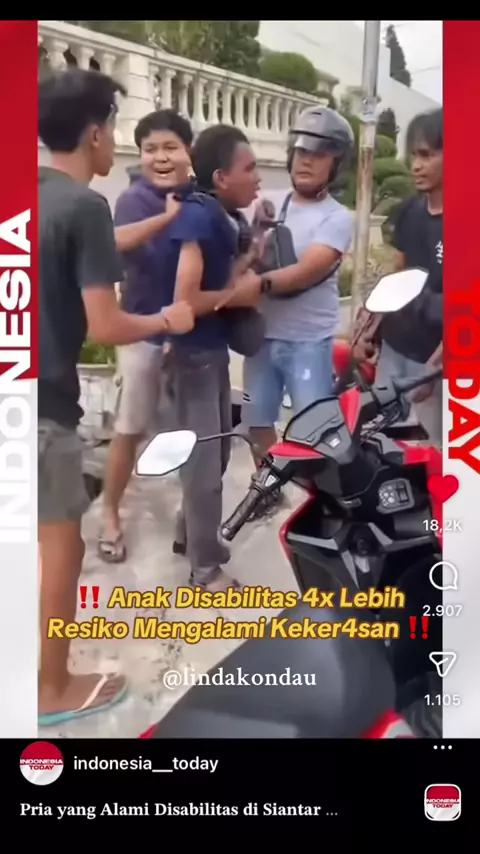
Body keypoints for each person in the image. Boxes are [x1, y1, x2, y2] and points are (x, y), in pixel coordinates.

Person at [38, 69, 194, 726]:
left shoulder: (28, 194)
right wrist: (166, 319)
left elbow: (88, 250)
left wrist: (162, 220)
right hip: (40, 408)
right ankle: (50, 689)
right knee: (60, 548)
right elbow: (105, 324)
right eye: (115, 128)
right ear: (96, 133)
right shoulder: (86, 206)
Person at [239, 106, 354, 512]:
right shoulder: (266, 203)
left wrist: (255, 284)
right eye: (302, 151)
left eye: (319, 154)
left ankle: (322, 504)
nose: (306, 160)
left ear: (336, 164)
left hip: (308, 342)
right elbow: (238, 247)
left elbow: (307, 272)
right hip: (262, 337)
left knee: (314, 431)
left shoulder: (337, 218)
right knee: (256, 421)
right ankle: (269, 487)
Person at [167, 124, 262, 591]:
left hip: (210, 354)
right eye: (250, 169)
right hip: (193, 359)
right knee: (206, 468)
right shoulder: (200, 218)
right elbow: (186, 300)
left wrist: (251, 257)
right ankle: (204, 571)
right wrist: (238, 295)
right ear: (222, 177)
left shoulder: (219, 216)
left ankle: (190, 536)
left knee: (216, 455)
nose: (258, 178)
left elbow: (219, 281)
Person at [98, 109, 195, 562]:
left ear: (188, 151)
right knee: (130, 428)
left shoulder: (199, 198)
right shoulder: (134, 200)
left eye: (170, 147)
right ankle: (110, 512)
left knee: (190, 431)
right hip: (141, 330)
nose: (160, 157)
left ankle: (190, 516)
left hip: (190, 333)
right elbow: (116, 242)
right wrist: (167, 218)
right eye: (150, 149)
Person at [356, 108, 443, 445]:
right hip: (395, 349)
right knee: (384, 444)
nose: (416, 165)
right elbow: (398, 274)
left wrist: (435, 369)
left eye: (427, 155)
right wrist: (369, 327)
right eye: (414, 156)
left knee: (433, 455)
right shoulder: (410, 210)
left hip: (436, 363)